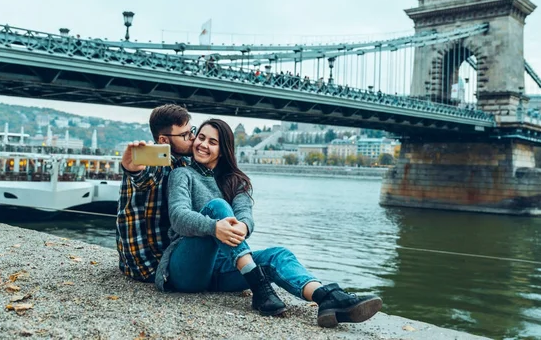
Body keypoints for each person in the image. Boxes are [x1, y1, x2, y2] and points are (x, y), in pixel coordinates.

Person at [156, 118, 382, 328]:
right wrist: (214, 227)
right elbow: (178, 217)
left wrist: (243, 226)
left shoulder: (238, 182)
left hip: (222, 270)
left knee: (278, 255)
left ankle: (326, 298)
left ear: (223, 150)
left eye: (212, 142)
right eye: (201, 138)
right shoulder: (183, 175)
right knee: (218, 207)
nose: (203, 144)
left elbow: (245, 217)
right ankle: (259, 286)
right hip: (186, 269)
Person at [116, 104, 196, 283]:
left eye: (192, 131)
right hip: (148, 265)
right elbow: (145, 178)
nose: (193, 138)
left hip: (156, 258)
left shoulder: (182, 163)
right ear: (164, 140)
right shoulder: (154, 163)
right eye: (185, 135)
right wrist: (133, 170)